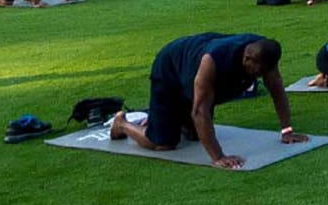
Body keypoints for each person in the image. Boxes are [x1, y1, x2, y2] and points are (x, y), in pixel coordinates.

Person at [109, 33, 305, 169]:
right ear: (247, 59)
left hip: (191, 70)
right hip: (170, 68)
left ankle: (163, 116)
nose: (259, 76)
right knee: (163, 143)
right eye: (256, 71)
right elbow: (199, 111)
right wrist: (218, 157)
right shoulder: (212, 61)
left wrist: (286, 130)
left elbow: (277, 91)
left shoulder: (265, 55)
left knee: (195, 135)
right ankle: (122, 123)